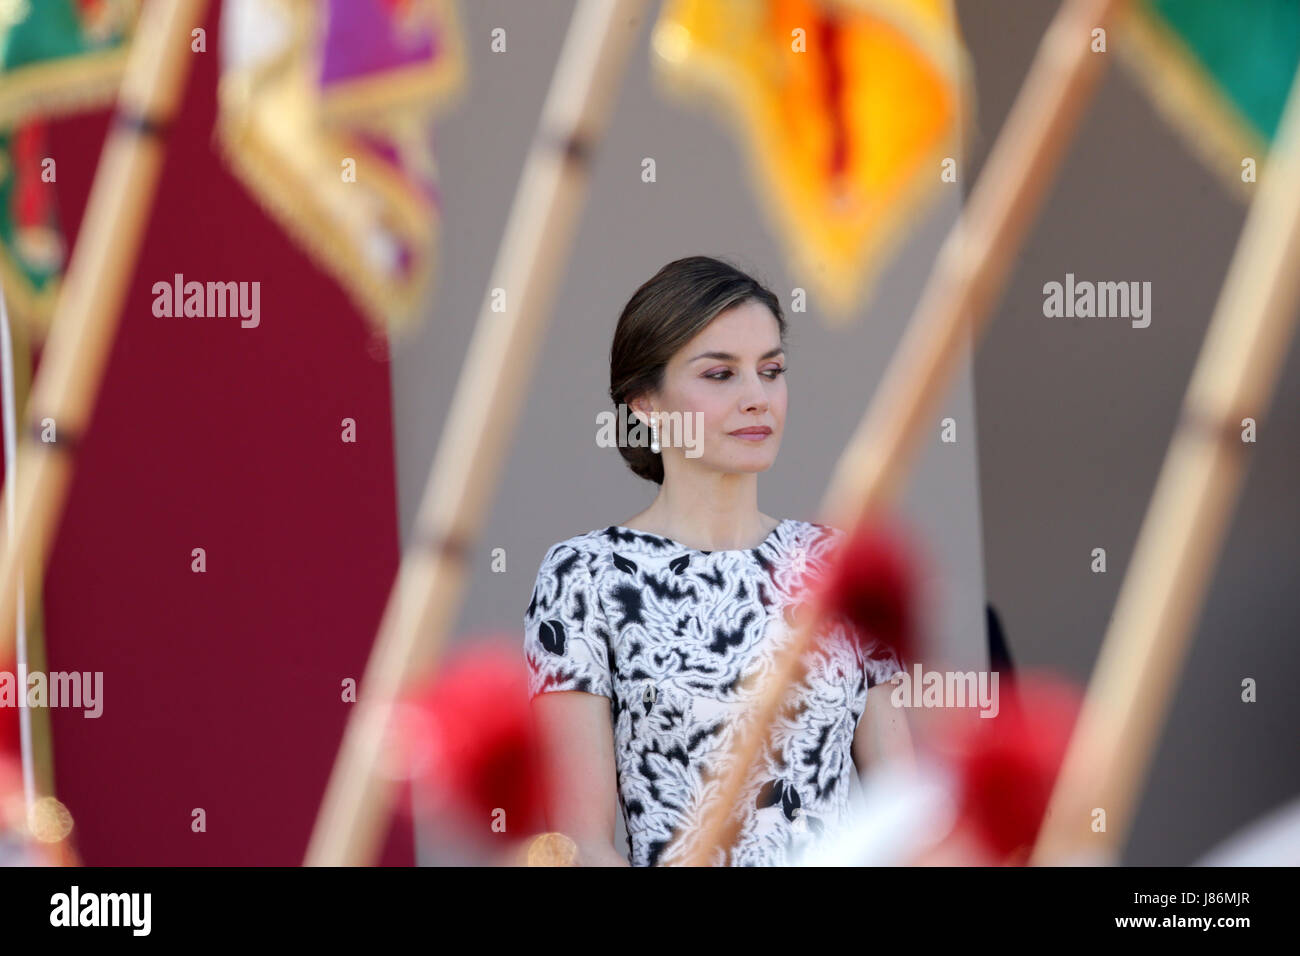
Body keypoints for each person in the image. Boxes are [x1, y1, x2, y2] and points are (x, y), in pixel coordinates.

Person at [523, 255, 914, 866]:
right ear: (645, 403)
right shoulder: (586, 577)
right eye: (720, 374)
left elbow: (904, 813)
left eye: (771, 370)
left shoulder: (838, 566)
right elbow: (581, 843)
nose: (758, 398)